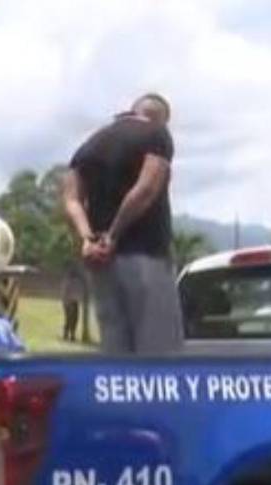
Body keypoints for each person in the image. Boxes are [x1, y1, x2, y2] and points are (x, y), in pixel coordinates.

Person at [62, 93, 183, 355]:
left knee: (115, 347)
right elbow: (147, 188)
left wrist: (88, 239)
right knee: (158, 352)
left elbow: (71, 199)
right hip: (145, 256)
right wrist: (113, 235)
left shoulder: (90, 144)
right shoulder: (156, 134)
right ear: (160, 118)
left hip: (101, 264)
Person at [58, 262, 86, 341]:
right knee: (69, 319)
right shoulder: (68, 281)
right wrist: (68, 301)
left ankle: (71, 334)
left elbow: (79, 292)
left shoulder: (75, 281)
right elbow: (65, 292)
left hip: (73, 302)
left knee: (74, 319)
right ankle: (67, 334)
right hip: (69, 302)